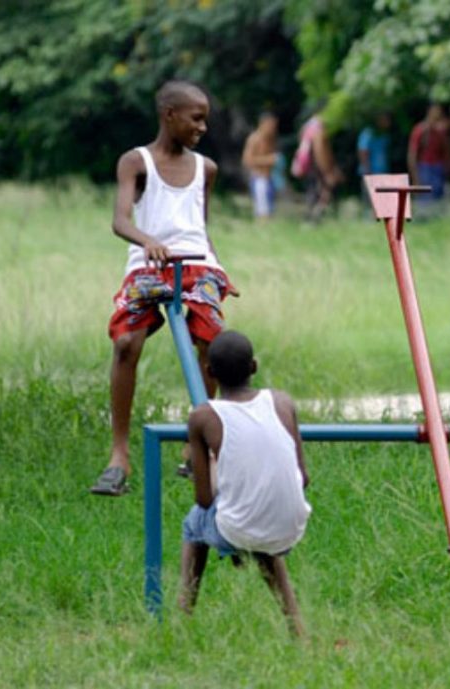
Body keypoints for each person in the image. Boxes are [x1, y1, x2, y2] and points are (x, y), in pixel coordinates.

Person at [90, 80, 238, 497]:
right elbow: (120, 219)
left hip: (196, 266)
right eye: (196, 118)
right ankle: (119, 454)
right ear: (168, 115)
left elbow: (201, 228)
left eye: (205, 119)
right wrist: (147, 241)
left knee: (215, 343)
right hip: (149, 265)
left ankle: (200, 446)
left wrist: (219, 267)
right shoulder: (136, 162)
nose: (203, 127)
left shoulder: (205, 168)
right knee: (126, 343)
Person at [178, 330, 311, 637]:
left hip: (239, 527)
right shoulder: (282, 402)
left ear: (209, 373)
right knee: (263, 539)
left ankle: (183, 616)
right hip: (291, 526)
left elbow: (204, 500)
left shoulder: (203, 417)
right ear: (254, 367)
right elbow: (303, 477)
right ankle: (296, 626)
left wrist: (213, 467)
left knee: (193, 524)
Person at [291, 112, 343, 222]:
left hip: (308, 168)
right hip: (316, 168)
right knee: (323, 192)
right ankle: (314, 219)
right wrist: (327, 172)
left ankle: (311, 219)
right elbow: (319, 151)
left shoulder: (307, 127)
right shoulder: (318, 129)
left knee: (312, 193)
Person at [407, 103, 450, 208]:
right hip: (424, 167)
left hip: (438, 167)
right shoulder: (420, 129)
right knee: (425, 199)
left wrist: (448, 166)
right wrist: (415, 176)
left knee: (438, 199)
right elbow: (412, 155)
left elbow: (446, 151)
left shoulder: (442, 131)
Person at [241, 112, 279, 220]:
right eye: (271, 125)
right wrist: (268, 160)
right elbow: (247, 160)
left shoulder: (270, 139)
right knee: (263, 213)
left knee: (270, 212)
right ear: (262, 124)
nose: (273, 129)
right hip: (259, 179)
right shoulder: (254, 139)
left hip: (269, 178)